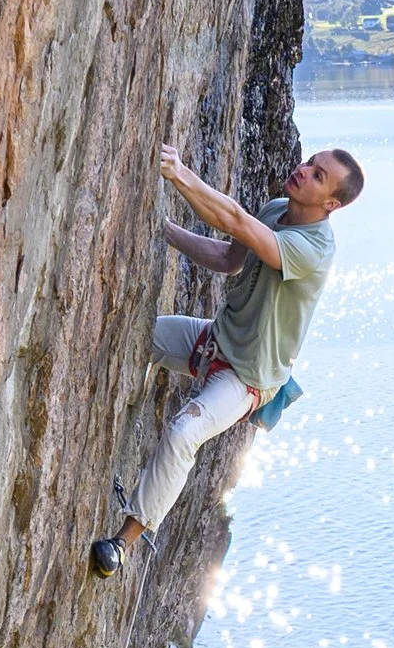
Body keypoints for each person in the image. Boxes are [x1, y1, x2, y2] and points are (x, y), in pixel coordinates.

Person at [89, 141, 363, 579]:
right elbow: (229, 258)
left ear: (331, 203)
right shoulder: (278, 209)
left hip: (247, 379)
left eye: (317, 175)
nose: (303, 170)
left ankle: (122, 544)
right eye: (309, 162)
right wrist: (165, 230)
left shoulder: (313, 250)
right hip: (215, 342)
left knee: (183, 433)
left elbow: (233, 218)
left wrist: (179, 174)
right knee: (137, 332)